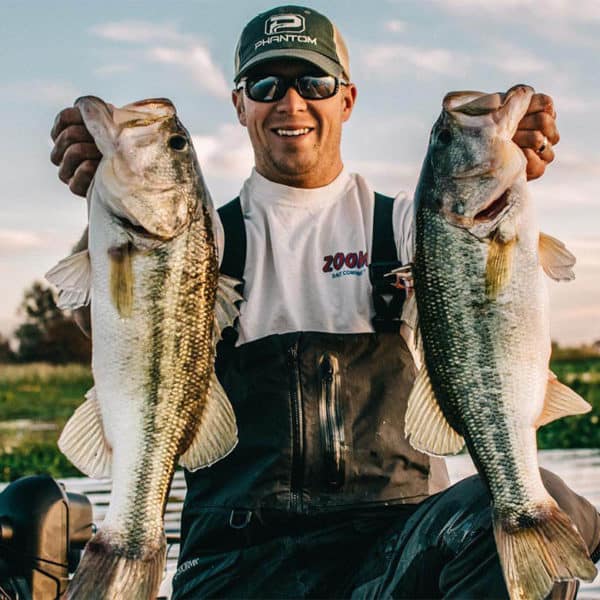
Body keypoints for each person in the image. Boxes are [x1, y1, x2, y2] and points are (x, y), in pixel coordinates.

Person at [50, 6, 600, 599]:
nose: (291, 103)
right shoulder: (202, 239)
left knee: (536, 505)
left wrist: (498, 147)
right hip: (236, 566)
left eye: (314, 82)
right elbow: (108, 320)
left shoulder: (414, 225)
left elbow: (483, 263)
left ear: (347, 99)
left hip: (391, 557)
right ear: (240, 105)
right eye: (266, 84)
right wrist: (107, 213)